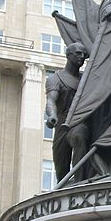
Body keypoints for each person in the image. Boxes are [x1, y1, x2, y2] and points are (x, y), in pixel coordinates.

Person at [45, 42, 89, 183]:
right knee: (61, 165)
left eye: (84, 54)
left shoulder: (86, 79)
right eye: (78, 53)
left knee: (79, 136)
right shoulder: (55, 78)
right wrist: (52, 115)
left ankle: (79, 182)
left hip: (80, 121)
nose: (81, 57)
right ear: (68, 55)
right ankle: (63, 188)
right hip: (62, 123)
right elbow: (51, 100)